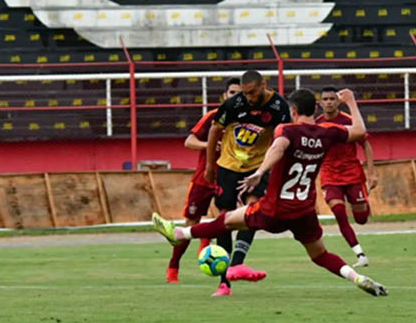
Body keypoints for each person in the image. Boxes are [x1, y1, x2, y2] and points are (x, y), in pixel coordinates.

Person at [153, 88, 388, 297]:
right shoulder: (327, 132)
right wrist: (351, 101)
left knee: (227, 220)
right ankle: (356, 278)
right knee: (320, 255)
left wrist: (260, 171)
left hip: (274, 208)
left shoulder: (287, 129)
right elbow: (359, 130)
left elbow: (278, 147)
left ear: (293, 110)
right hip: (304, 210)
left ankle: (181, 233)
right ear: (314, 108)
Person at [203, 70, 291, 296]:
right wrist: (210, 166)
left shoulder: (279, 107)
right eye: (246, 93)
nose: (249, 98)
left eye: (252, 92)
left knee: (252, 211)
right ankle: (224, 282)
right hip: (228, 167)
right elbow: (215, 129)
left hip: (257, 168)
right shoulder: (233, 104)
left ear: (264, 85)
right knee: (224, 216)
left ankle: (237, 264)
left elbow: (285, 138)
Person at [164, 78, 242, 283]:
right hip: (204, 178)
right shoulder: (213, 117)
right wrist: (209, 144)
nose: (236, 97)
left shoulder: (248, 120)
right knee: (190, 222)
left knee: (228, 221)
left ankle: (224, 269)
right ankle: (174, 266)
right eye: (232, 92)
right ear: (225, 96)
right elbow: (189, 142)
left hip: (230, 177)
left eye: (240, 93)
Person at [316, 86, 377, 267]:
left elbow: (366, 145)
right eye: (325, 99)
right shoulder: (316, 124)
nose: (328, 102)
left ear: (338, 101)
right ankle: (360, 255)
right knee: (339, 213)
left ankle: (362, 207)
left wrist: (371, 173)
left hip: (352, 173)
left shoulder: (349, 121)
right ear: (320, 103)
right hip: (329, 175)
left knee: (361, 218)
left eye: (332, 99)